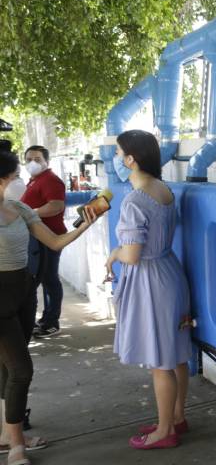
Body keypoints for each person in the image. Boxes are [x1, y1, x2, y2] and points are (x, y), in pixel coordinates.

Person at [0, 150, 98, 465]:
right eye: (14, 176)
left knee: (7, 368)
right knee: (21, 370)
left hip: (25, 293)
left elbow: (54, 242)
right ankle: (16, 446)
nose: (17, 180)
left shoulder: (20, 208)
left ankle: (7, 434)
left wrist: (85, 225)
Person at [105, 130, 192, 450]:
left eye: (118, 153)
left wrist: (114, 255)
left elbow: (132, 254)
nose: (116, 159)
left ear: (131, 159)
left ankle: (165, 430)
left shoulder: (135, 199)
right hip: (170, 272)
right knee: (176, 354)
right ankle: (177, 417)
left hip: (150, 281)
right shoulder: (162, 189)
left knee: (160, 362)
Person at [19, 146, 66, 338]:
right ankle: (46, 320)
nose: (33, 163)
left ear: (47, 161)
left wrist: (30, 213)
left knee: (49, 279)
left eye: (37, 159)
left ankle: (51, 322)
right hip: (38, 238)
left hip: (50, 237)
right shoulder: (35, 180)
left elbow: (56, 206)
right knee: (45, 279)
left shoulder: (50, 180)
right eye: (29, 159)